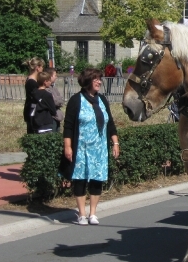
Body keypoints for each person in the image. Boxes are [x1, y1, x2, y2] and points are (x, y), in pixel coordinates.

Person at [59, 68, 119, 226]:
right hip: (82, 148)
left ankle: (93, 213)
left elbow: (110, 123)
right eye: (96, 79)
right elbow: (68, 126)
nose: (99, 82)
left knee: (97, 180)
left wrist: (115, 142)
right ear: (87, 82)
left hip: (99, 149)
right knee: (80, 180)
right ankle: (82, 214)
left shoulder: (102, 100)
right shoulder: (76, 100)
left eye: (100, 79)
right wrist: (68, 146)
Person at [23, 57, 45, 134]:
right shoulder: (31, 82)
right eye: (42, 66)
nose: (42, 69)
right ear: (37, 68)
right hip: (32, 112)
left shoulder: (35, 80)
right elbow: (36, 97)